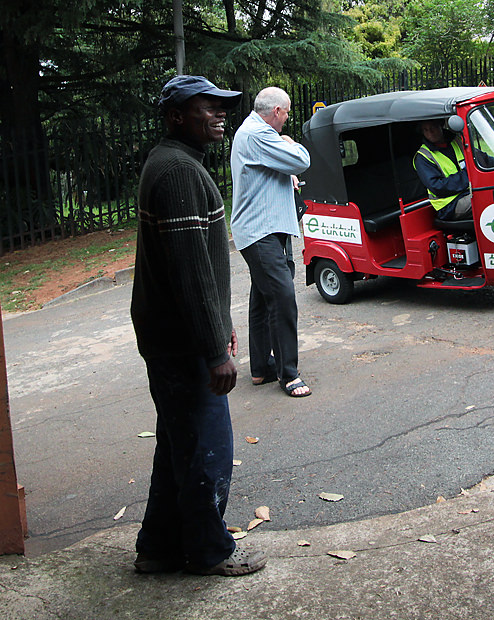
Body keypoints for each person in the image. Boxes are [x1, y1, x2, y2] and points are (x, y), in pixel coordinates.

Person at [130, 75, 265, 577]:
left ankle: (158, 547)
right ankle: (209, 552)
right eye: (206, 107)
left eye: (222, 106)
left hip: (170, 336)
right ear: (176, 116)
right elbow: (191, 273)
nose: (219, 114)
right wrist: (215, 350)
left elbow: (193, 270)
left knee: (177, 446)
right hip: (182, 344)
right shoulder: (179, 173)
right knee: (208, 449)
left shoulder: (171, 164)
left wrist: (219, 326)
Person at [230, 87, 312, 398]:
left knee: (262, 299)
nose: (287, 119)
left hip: (264, 229)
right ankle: (288, 374)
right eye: (287, 112)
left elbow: (277, 169)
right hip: (260, 231)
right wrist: (289, 144)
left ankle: (262, 367)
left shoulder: (252, 133)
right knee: (282, 297)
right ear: (276, 111)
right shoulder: (258, 134)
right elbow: (301, 159)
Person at [413, 119, 473, 225]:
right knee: (488, 198)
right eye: (426, 130)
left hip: (468, 192)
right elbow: (437, 187)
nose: (430, 132)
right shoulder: (423, 157)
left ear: (441, 126)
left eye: (433, 128)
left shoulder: (457, 141)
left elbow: (480, 158)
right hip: (449, 205)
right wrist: (470, 175)